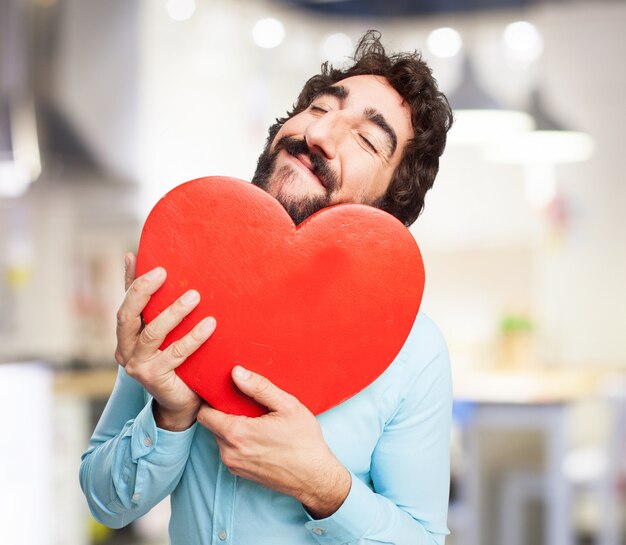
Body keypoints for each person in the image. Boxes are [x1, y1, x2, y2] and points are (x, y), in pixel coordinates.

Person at [80, 30, 454, 544]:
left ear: (391, 206)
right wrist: (170, 412)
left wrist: (326, 488)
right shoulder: (179, 291)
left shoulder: (415, 352)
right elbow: (106, 504)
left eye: (367, 139)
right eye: (321, 107)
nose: (320, 135)